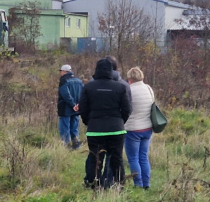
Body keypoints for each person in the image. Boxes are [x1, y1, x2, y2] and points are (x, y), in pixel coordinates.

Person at [79, 58, 132, 189]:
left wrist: (89, 122)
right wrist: (120, 122)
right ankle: (119, 185)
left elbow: (83, 109)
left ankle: (93, 185)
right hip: (117, 129)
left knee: (95, 159)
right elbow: (127, 109)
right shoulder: (120, 87)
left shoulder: (88, 87)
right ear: (112, 71)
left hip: (95, 129)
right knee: (117, 159)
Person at [124, 66, 154, 189]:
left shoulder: (128, 90)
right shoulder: (148, 88)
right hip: (148, 128)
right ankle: (146, 184)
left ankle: (138, 184)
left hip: (133, 129)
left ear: (130, 79)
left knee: (133, 158)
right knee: (143, 157)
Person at [57, 64, 83, 148]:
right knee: (74, 128)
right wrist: (78, 105)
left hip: (65, 108)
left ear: (64, 71)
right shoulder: (79, 80)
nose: (60, 73)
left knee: (65, 128)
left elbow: (65, 94)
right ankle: (76, 145)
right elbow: (83, 93)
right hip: (76, 109)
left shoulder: (63, 80)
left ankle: (66, 146)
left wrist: (72, 104)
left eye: (60, 71)